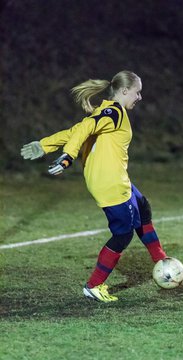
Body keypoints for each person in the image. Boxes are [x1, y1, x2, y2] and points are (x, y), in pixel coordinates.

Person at [21, 70, 167, 303]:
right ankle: (94, 285)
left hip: (118, 177)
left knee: (142, 206)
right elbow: (83, 131)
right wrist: (67, 156)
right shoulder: (114, 112)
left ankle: (161, 260)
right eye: (137, 92)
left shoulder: (108, 110)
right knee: (122, 234)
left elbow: (75, 131)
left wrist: (44, 145)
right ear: (125, 91)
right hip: (109, 182)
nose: (139, 97)